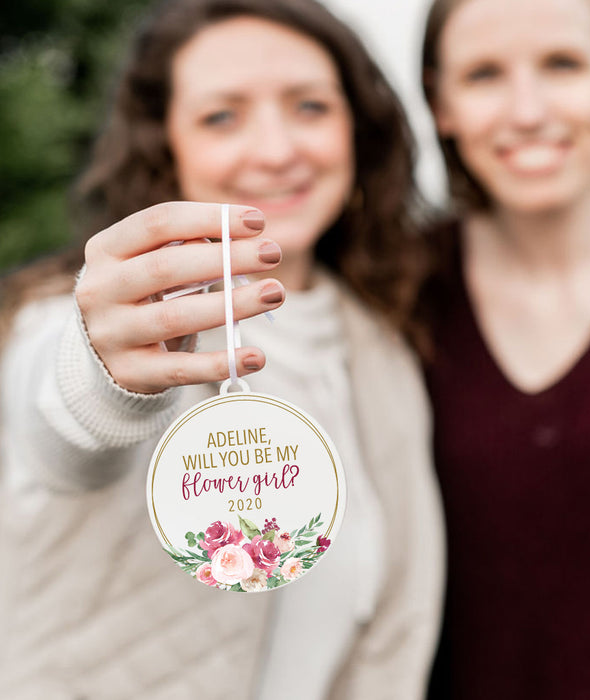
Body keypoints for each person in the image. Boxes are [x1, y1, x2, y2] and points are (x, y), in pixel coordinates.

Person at [0, 0, 445, 697]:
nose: (275, 149)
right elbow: (58, 428)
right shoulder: (90, 317)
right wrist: (102, 374)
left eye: (309, 107)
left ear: (359, 129)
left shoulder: (384, 340)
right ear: (164, 143)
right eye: (221, 116)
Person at [416, 0, 590, 697]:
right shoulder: (403, 287)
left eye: (562, 64)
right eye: (483, 75)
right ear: (439, 103)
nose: (527, 111)